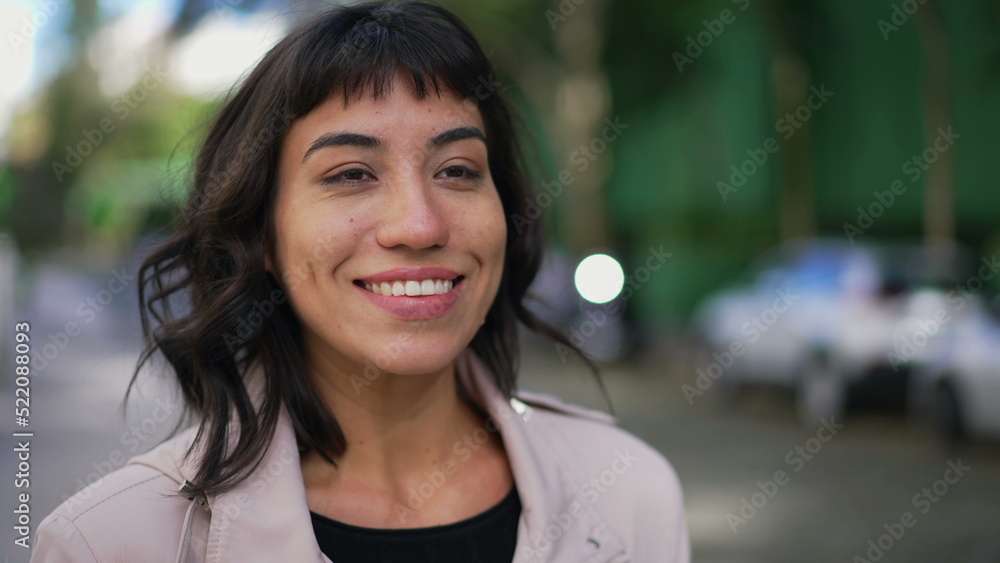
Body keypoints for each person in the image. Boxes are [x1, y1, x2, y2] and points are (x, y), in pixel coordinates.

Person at [32, 2, 689, 561]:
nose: (419, 224)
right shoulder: (109, 540)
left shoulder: (631, 493)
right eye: (350, 174)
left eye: (458, 169)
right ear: (262, 234)